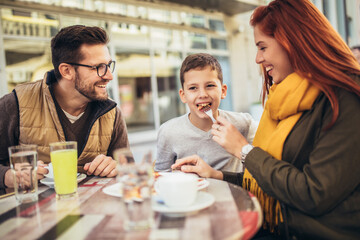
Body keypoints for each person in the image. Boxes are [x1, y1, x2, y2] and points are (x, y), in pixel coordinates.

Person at [171, 1, 360, 239]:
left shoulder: (345, 96)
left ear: (292, 41)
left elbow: (313, 194)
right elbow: (273, 180)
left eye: (262, 47)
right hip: (277, 225)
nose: (258, 59)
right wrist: (216, 174)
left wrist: (244, 150)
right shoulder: (286, 98)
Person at [0, 25, 129, 191]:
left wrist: (116, 166)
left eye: (109, 65)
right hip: (31, 213)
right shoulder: (16, 104)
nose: (109, 76)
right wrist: (8, 176)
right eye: (98, 67)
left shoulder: (112, 112)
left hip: (94, 212)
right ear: (67, 71)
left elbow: (129, 168)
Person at [155, 53, 257, 172]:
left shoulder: (243, 123)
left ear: (223, 91)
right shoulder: (168, 132)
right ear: (183, 96)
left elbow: (261, 164)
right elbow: (161, 177)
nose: (203, 94)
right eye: (193, 88)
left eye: (209, 85)